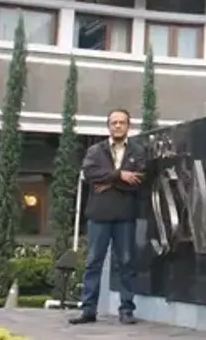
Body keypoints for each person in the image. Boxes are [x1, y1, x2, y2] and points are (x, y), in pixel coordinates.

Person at [70, 107, 147, 325]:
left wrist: (106, 183)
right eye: (114, 123)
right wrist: (119, 175)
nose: (118, 126)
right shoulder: (96, 151)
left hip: (125, 215)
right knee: (93, 262)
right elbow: (89, 173)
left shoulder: (138, 151)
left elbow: (140, 180)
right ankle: (88, 310)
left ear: (128, 126)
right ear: (109, 126)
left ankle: (126, 310)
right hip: (99, 215)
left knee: (126, 263)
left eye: (122, 122)